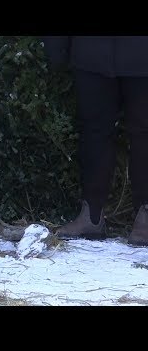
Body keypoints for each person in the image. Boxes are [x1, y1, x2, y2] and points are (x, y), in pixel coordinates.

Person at [42, 36, 148, 246]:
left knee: (144, 134)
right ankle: (91, 215)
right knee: (93, 133)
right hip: (92, 53)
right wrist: (57, 48)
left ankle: (146, 213)